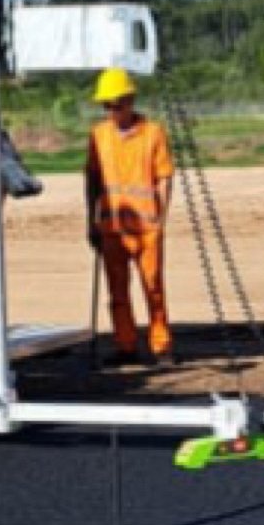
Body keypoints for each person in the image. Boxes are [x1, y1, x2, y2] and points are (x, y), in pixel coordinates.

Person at [85, 68, 176, 368]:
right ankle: (125, 345)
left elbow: (164, 177)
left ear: (130, 100)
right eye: (107, 106)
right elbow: (92, 180)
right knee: (118, 292)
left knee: (153, 289)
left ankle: (161, 347)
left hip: (146, 228)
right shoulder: (99, 136)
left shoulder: (153, 134)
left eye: (116, 104)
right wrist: (91, 222)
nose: (112, 111)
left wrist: (161, 218)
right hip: (112, 228)